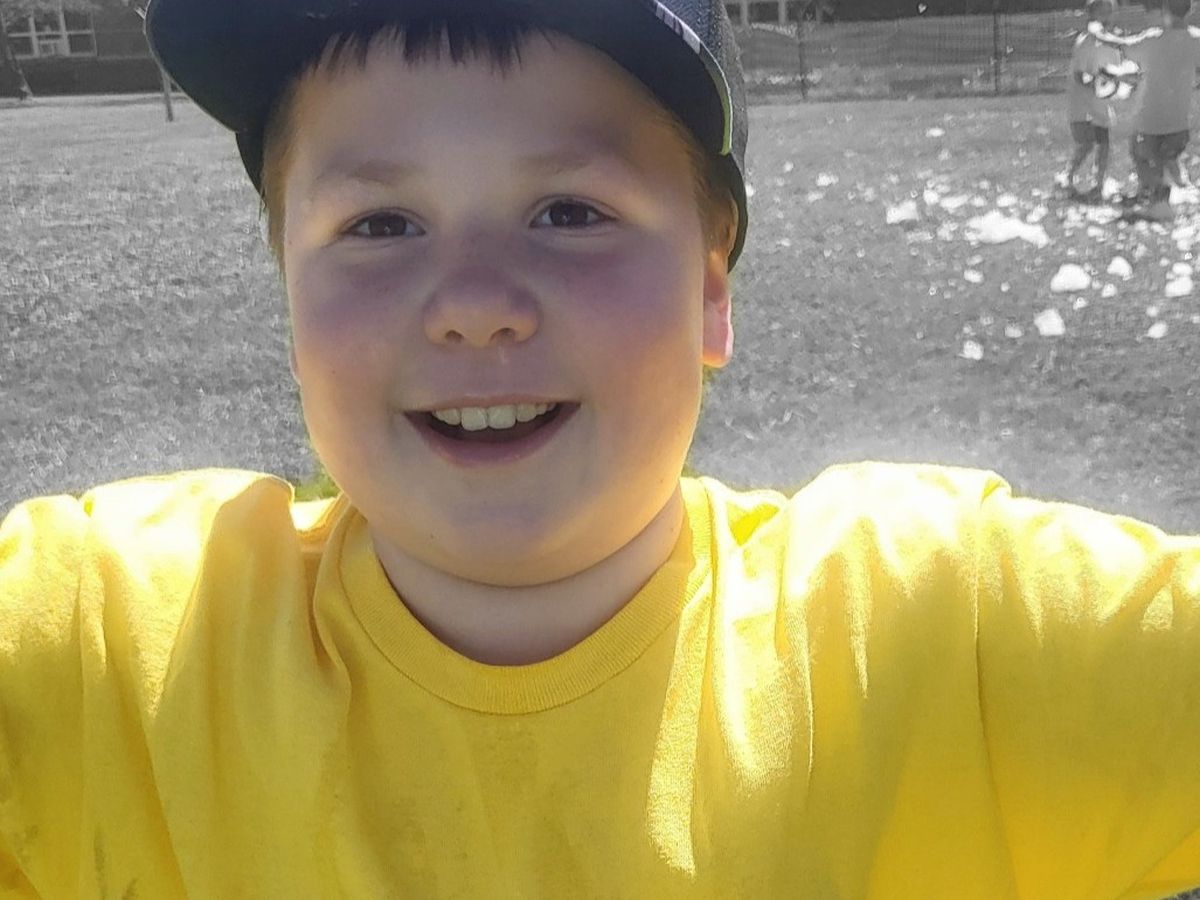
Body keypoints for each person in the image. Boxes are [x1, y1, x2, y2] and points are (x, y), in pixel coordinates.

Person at [2, 1, 1200, 896]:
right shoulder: (110, 644)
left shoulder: (940, 630)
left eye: (570, 213)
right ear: (290, 300)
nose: (475, 305)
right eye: (380, 223)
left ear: (710, 293)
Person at [1094, 0, 1200, 209]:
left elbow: (1122, 45)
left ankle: (1158, 198)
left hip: (1150, 121)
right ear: (1190, 10)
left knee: (1140, 154)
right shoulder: (1196, 40)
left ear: (1165, 10)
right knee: (1165, 159)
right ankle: (1165, 194)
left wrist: (1099, 33)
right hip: (1179, 123)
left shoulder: (1152, 39)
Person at [1066, 0, 1121, 199]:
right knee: (1086, 143)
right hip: (1083, 103)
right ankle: (1067, 177)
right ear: (1091, 15)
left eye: (1110, 12)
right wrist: (1099, 86)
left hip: (1100, 104)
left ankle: (1098, 184)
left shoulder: (1112, 43)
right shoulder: (1086, 41)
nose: (1107, 17)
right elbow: (1079, 74)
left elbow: (1114, 72)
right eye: (1102, 12)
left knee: (1103, 144)